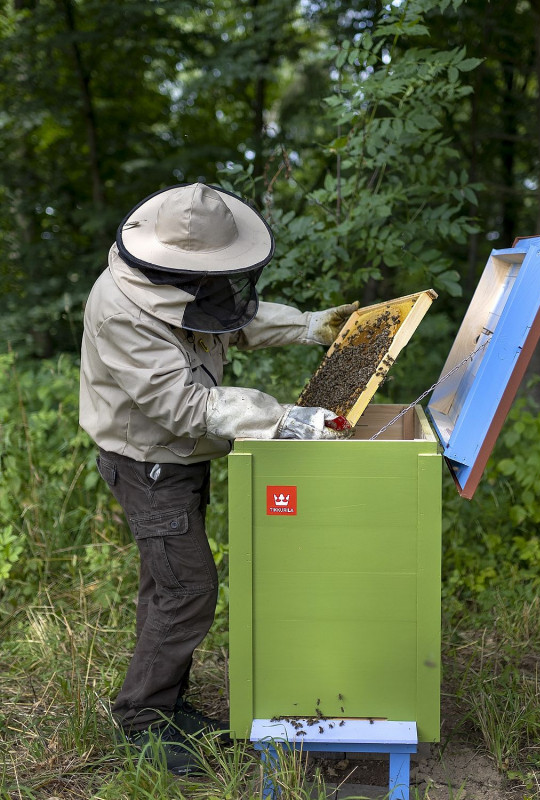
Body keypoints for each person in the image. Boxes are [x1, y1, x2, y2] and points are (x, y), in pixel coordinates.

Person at [79, 182, 356, 774]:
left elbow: (233, 321)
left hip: (178, 459)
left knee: (166, 584)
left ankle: (166, 702)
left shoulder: (182, 287)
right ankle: (143, 721)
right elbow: (185, 407)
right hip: (148, 463)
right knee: (188, 589)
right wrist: (283, 419)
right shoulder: (121, 309)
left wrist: (310, 325)